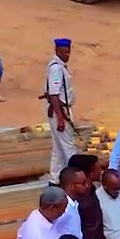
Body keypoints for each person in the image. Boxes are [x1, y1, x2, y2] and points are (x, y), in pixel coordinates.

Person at [45, 38, 76, 177]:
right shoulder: (56, 68)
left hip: (63, 109)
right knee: (68, 147)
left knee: (58, 148)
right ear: (57, 51)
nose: (67, 55)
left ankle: (55, 176)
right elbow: (54, 94)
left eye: (69, 52)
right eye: (64, 52)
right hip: (60, 111)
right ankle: (74, 177)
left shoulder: (60, 66)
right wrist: (60, 118)